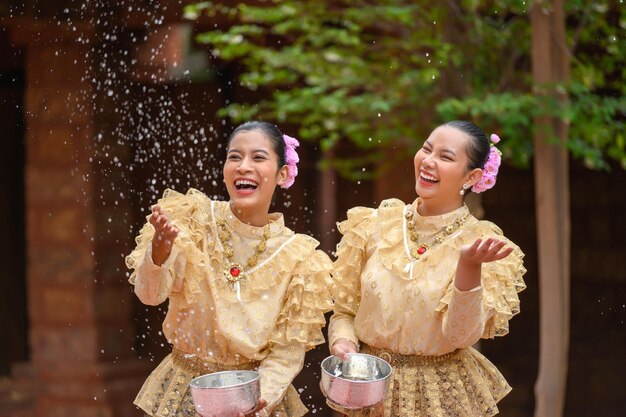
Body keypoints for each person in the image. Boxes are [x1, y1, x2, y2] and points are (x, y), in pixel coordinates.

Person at [126, 121, 333, 417]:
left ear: (282, 173)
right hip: (186, 391)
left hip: (256, 397)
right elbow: (149, 295)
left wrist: (259, 401)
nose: (243, 166)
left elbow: (286, 354)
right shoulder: (193, 220)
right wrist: (158, 251)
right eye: (234, 157)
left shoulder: (299, 257)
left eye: (258, 158)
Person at [327, 121, 527, 417]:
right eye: (426, 149)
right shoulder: (374, 225)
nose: (428, 161)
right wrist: (343, 341)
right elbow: (345, 310)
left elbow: (461, 336)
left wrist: (469, 268)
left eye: (445, 157)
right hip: (367, 390)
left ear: (471, 177)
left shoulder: (485, 246)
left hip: (438, 398)